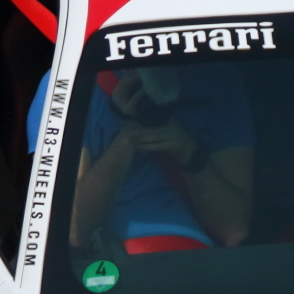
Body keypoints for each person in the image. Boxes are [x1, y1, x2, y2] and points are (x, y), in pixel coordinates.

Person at [29, 63, 254, 252]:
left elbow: (234, 230)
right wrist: (128, 138)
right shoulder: (67, 85)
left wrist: (187, 150)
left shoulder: (217, 80)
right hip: (105, 264)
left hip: (196, 258)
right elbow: (70, 231)